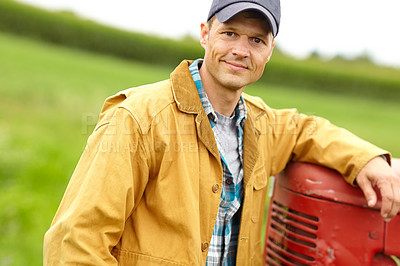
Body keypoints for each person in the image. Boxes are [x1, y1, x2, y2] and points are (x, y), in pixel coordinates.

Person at [43, 0, 400, 265]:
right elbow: (76, 242)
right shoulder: (138, 118)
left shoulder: (260, 125)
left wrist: (366, 159)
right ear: (205, 34)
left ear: (270, 50)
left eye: (257, 40)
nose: (241, 51)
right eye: (230, 33)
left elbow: (307, 130)